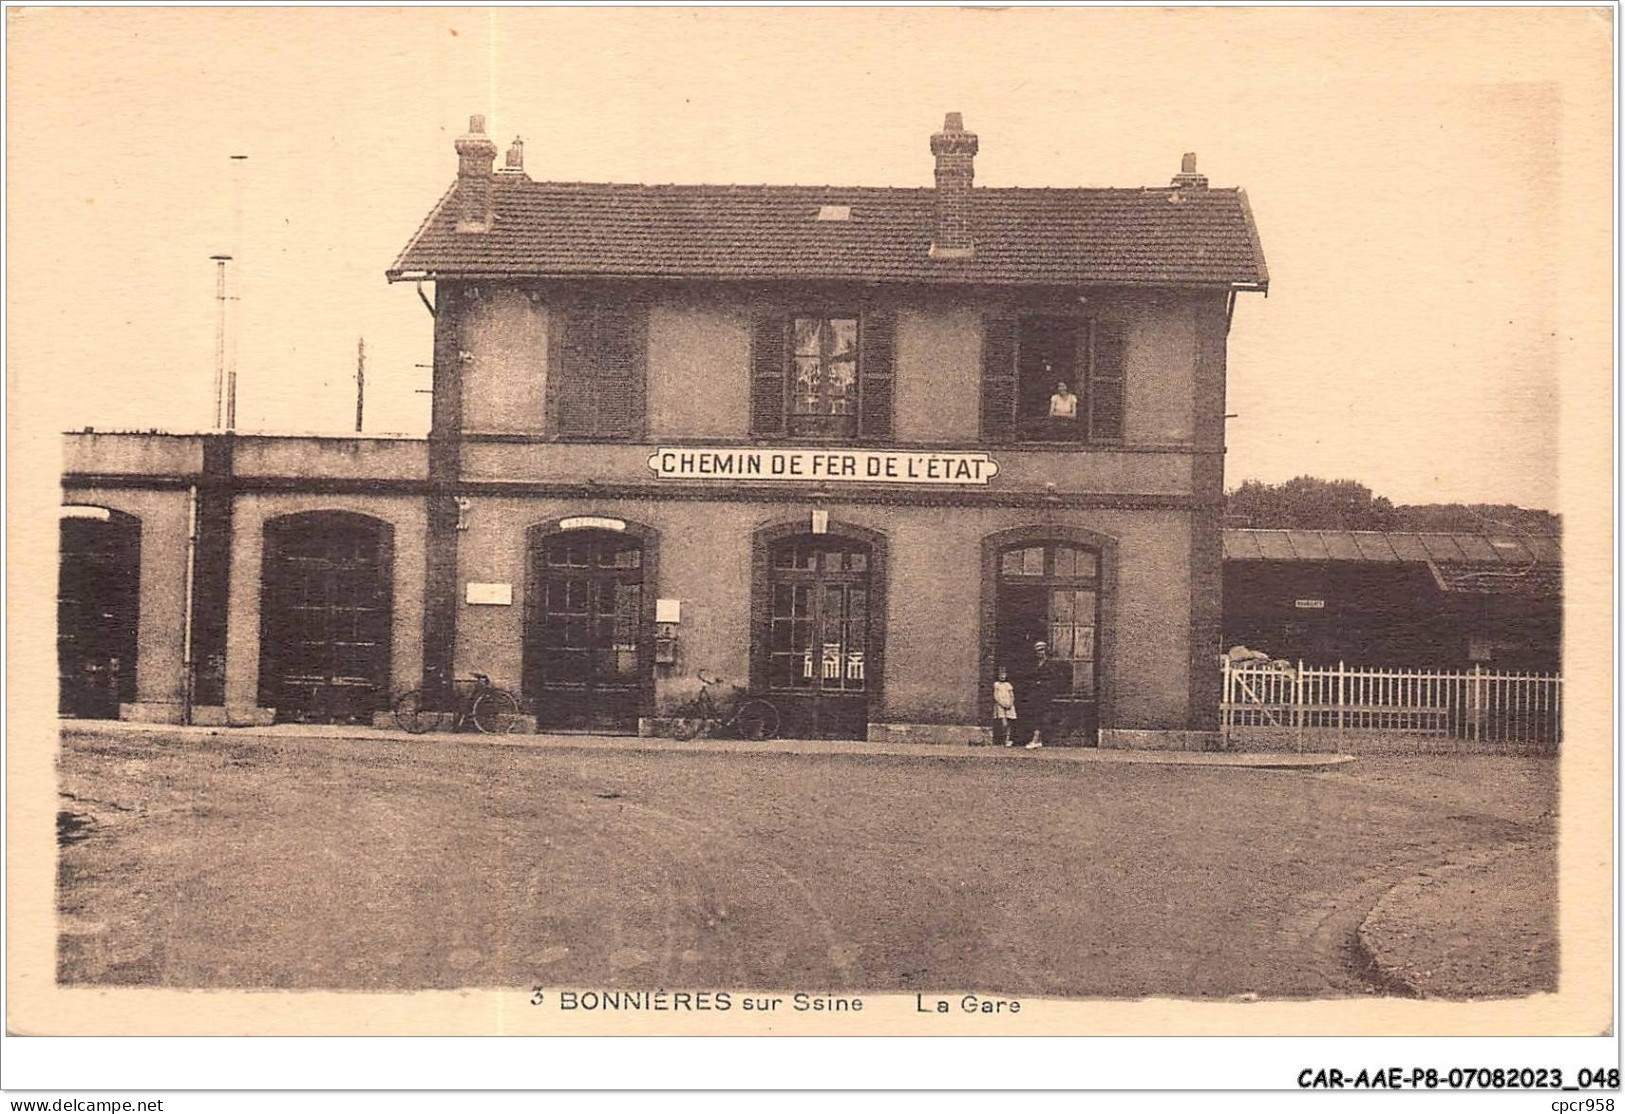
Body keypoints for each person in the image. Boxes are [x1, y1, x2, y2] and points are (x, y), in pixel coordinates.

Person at [1024, 640, 1070, 749]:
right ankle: (1039, 740)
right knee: (1035, 714)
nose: (1040, 652)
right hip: (1035, 693)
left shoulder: (1050, 664)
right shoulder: (1034, 664)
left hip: (1045, 694)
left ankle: (1035, 739)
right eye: (1038, 650)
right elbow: (1030, 678)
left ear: (1046, 651)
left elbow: (1055, 679)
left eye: (1042, 650)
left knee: (1039, 715)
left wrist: (1044, 684)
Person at [992, 666, 1018, 747]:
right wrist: (1002, 704)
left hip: (1008, 704)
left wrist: (1010, 703)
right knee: (1004, 723)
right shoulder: (996, 684)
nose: (1002, 676)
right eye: (1000, 675)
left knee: (1010, 723)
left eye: (1004, 674)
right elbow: (995, 696)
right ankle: (1002, 740)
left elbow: (1012, 695)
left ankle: (1008, 740)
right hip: (1001, 705)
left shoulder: (1008, 685)